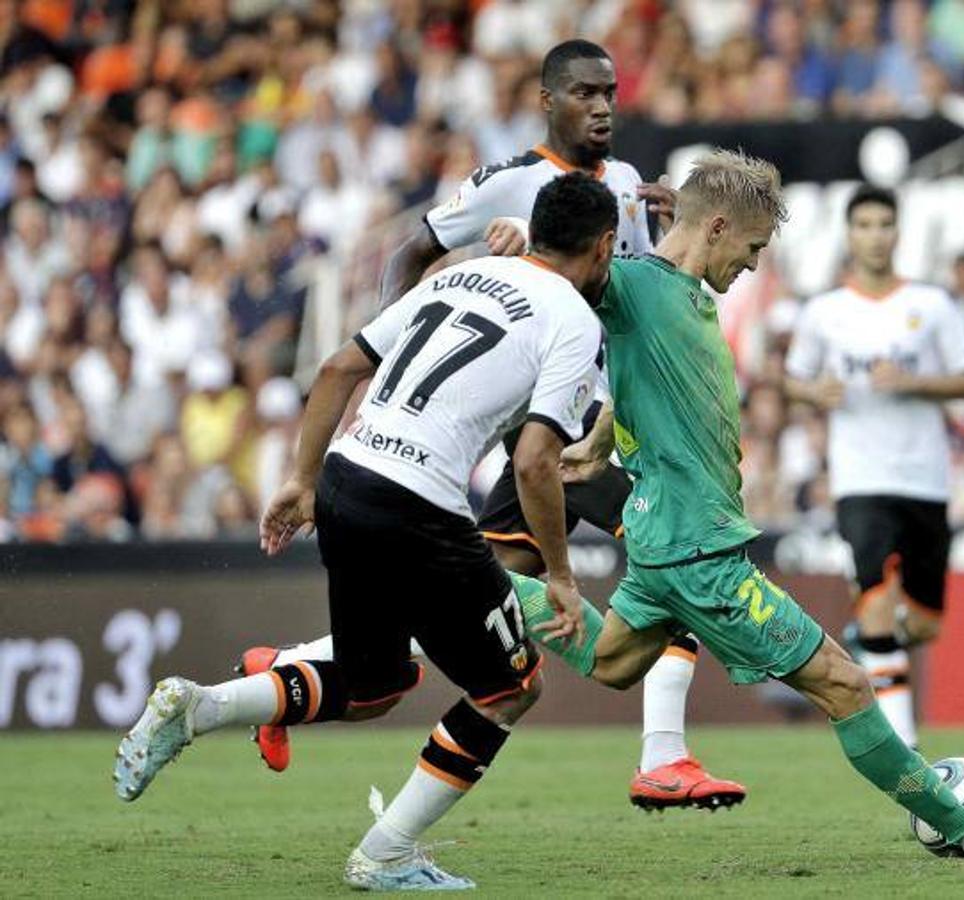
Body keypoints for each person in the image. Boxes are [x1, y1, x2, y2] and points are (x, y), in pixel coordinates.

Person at [238, 38, 744, 811]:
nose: (602, 106)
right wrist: (398, 346)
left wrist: (672, 238)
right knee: (679, 558)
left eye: (609, 92)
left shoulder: (632, 187)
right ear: (548, 101)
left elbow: (631, 298)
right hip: (553, 429)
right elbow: (414, 248)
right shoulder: (511, 183)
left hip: (610, 420)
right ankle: (663, 758)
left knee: (487, 590)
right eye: (583, 93)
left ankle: (287, 670)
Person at [550, 150, 964, 860]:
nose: (755, 265)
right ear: (719, 227)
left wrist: (603, 439)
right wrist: (518, 243)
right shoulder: (631, 284)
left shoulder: (685, 293)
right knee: (845, 684)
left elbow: (634, 373)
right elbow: (562, 264)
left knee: (608, 662)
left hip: (664, 544)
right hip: (700, 557)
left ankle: (469, 586)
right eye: (753, 247)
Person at [114, 173, 614, 890]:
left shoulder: (465, 274)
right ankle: (385, 854)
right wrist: (561, 576)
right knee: (510, 688)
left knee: (372, 685)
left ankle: (199, 705)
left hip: (347, 478)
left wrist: (301, 478)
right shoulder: (574, 320)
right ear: (602, 249)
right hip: (420, 507)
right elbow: (537, 461)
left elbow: (338, 365)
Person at [782, 185, 964, 748]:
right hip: (860, 478)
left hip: (924, 479)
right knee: (873, 590)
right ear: (850, 235)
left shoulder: (931, 305)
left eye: (884, 224)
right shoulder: (825, 312)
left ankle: (873, 642)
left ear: (898, 233)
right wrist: (812, 392)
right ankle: (902, 741)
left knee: (921, 623)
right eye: (865, 224)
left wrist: (914, 383)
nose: (875, 235)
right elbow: (791, 381)